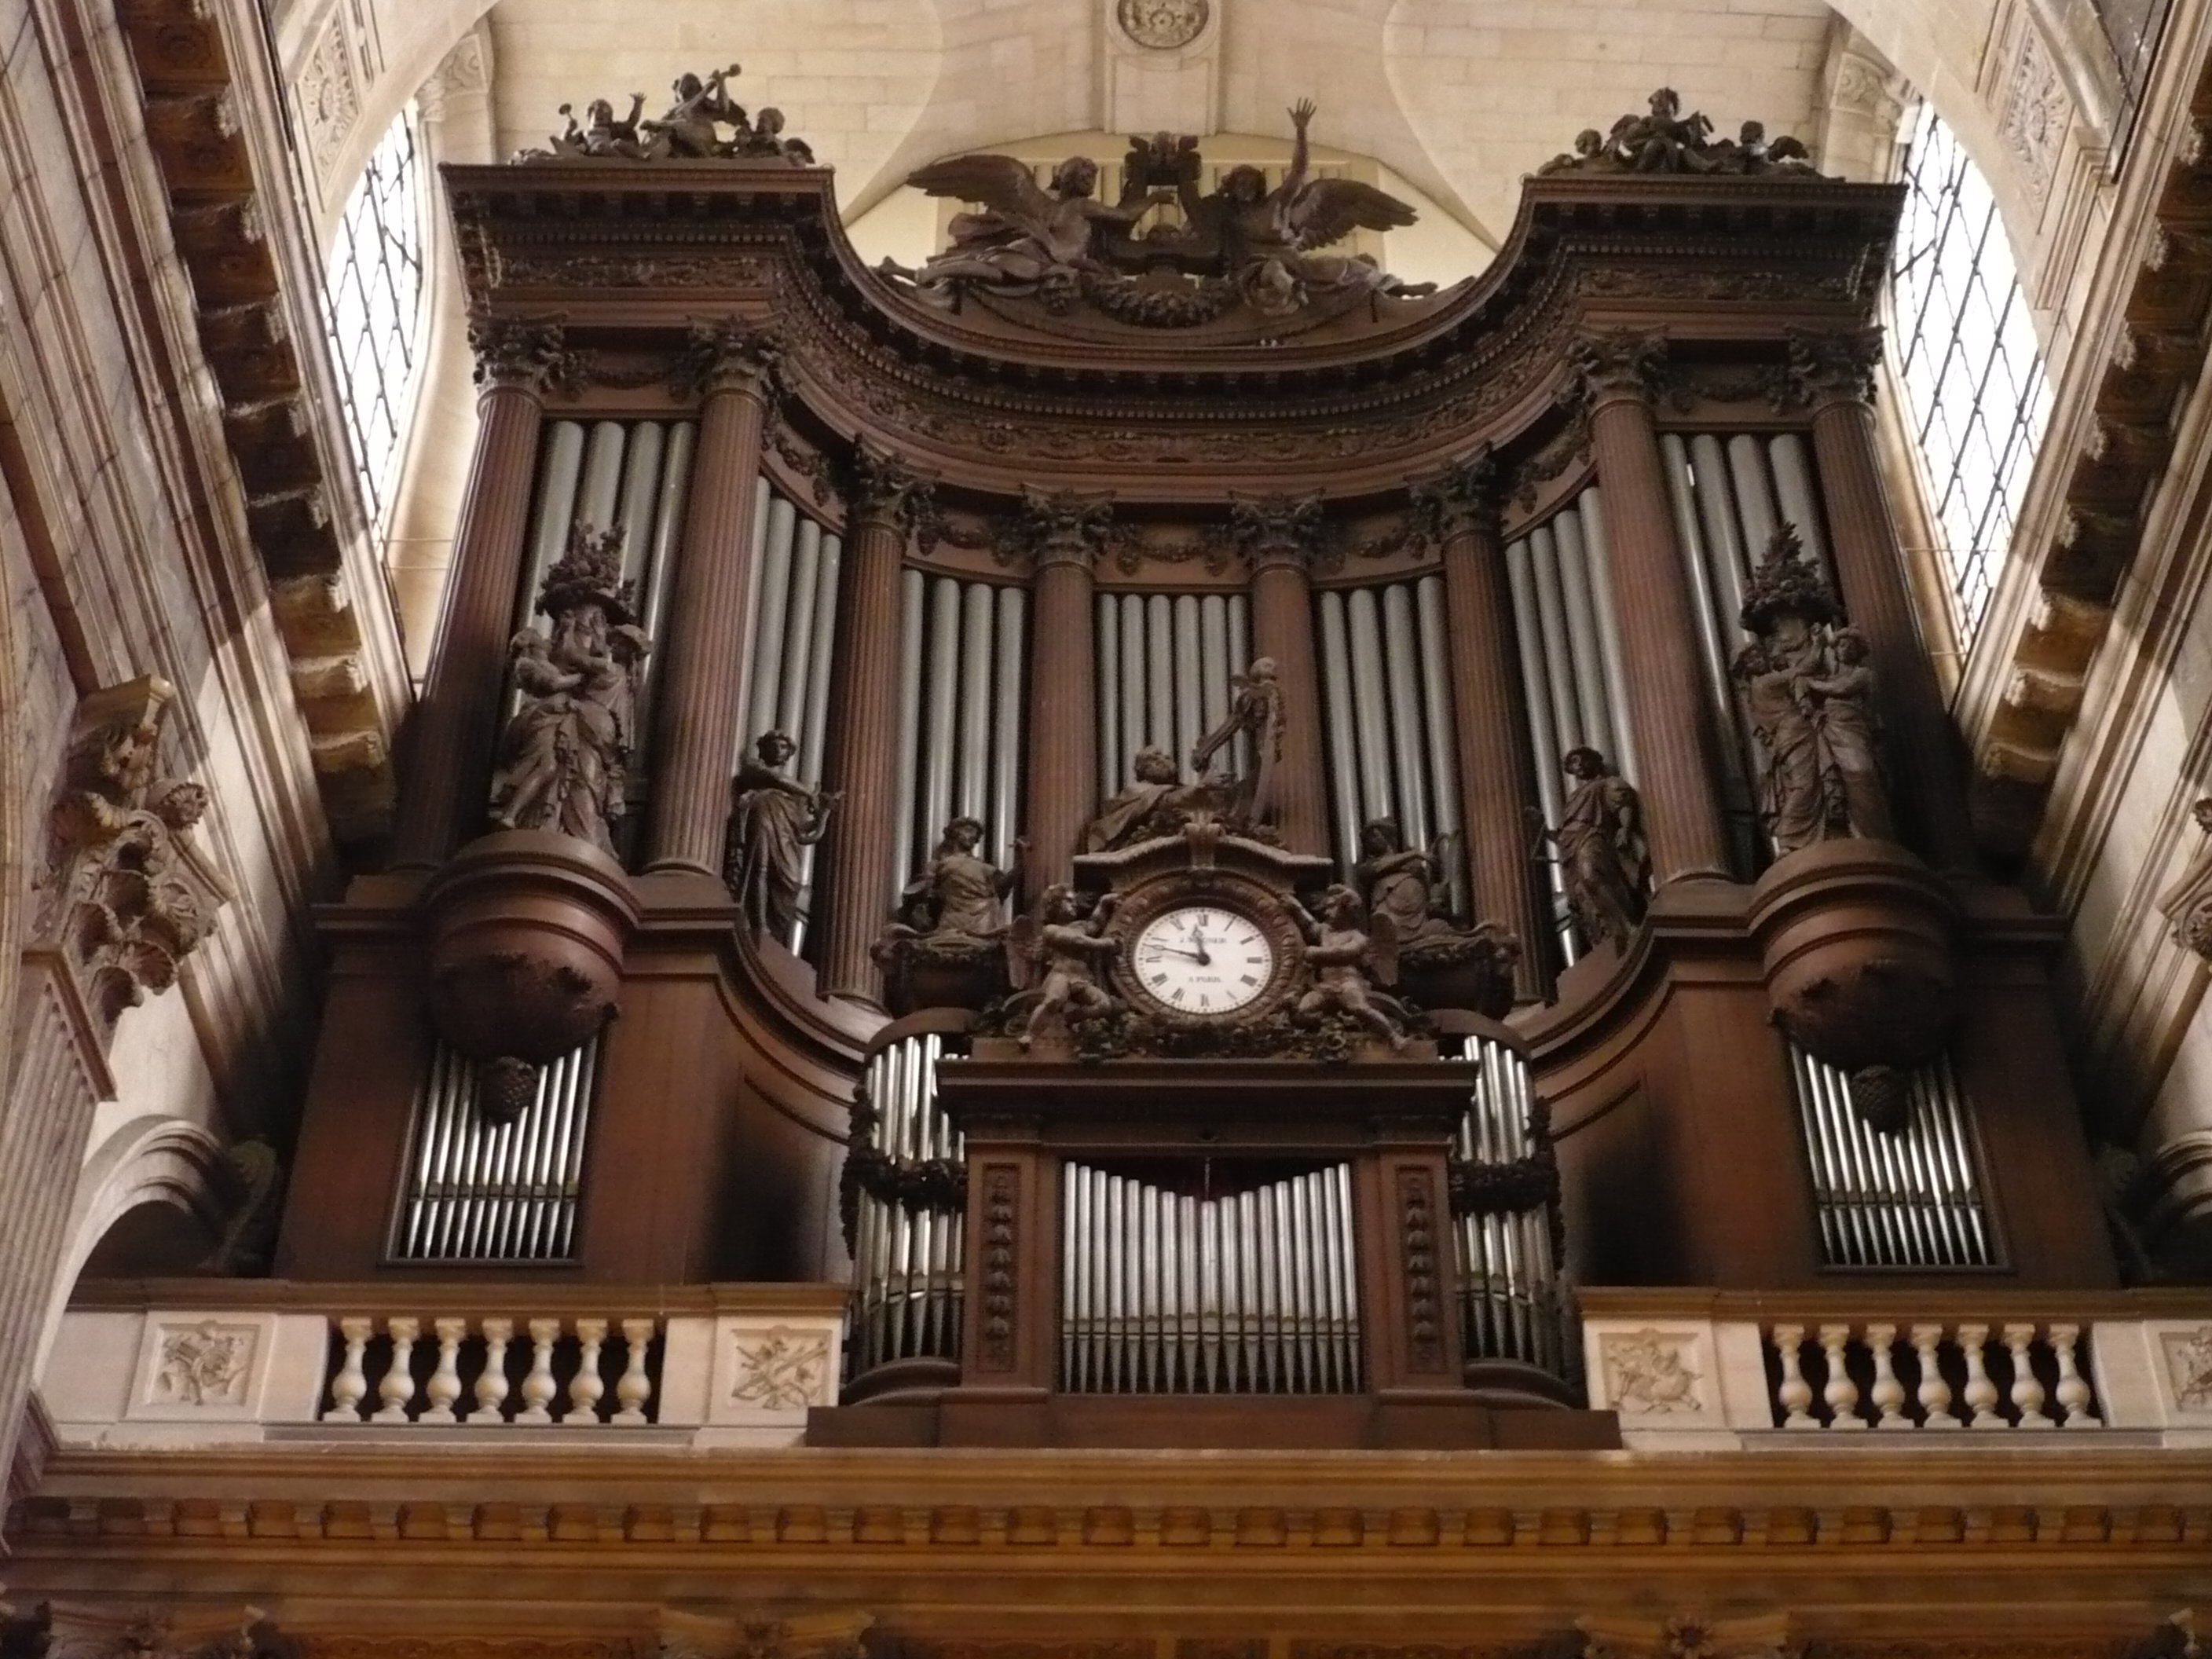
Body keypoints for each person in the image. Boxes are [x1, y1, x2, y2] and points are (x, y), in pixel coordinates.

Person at [726, 731, 837, 941]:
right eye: (774, 745)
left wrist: (824, 814)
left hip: (785, 841)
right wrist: (809, 794)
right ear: (763, 749)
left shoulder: (791, 799)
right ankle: (759, 925)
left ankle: (777, 933)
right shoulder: (755, 769)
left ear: (788, 755)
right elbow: (775, 777)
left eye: (783, 747)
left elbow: (804, 835)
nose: (778, 750)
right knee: (761, 867)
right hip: (762, 818)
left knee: (793, 882)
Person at [1536, 748, 1650, 951]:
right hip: (1572, 848)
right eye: (1572, 764)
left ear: (1593, 761)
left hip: (1594, 838)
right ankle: (1607, 934)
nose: (1577, 766)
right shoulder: (1573, 798)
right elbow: (1564, 836)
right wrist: (1544, 831)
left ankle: (1627, 925)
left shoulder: (1608, 783)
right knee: (1583, 895)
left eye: (1580, 760)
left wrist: (1625, 828)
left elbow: (1622, 804)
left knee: (1591, 875)